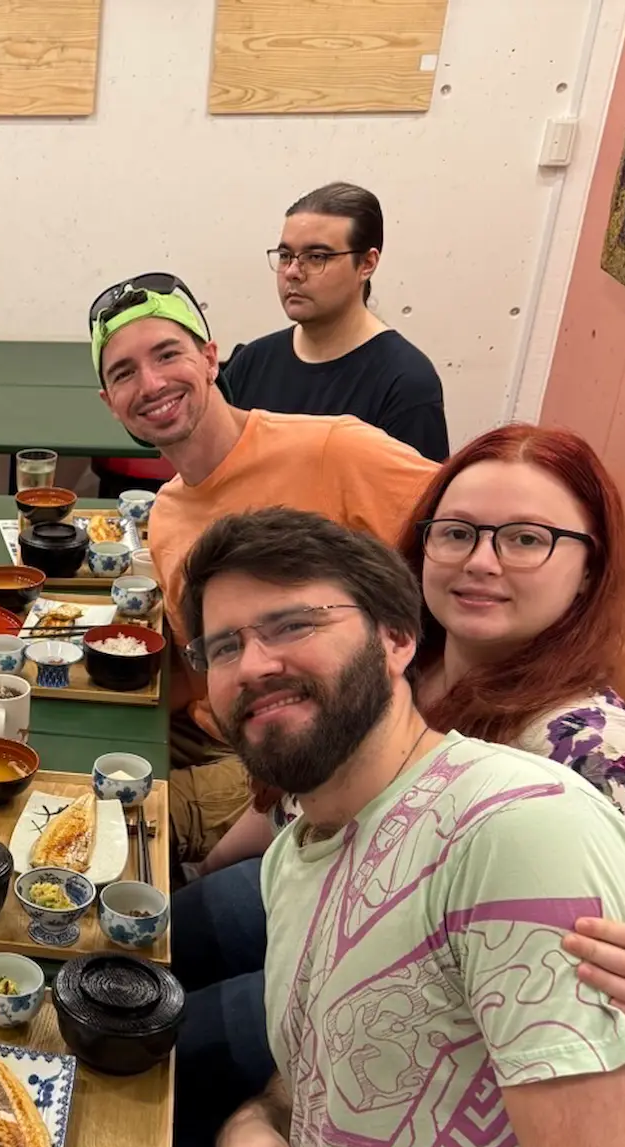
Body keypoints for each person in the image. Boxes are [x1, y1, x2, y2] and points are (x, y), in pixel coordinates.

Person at [165, 506, 625, 1147]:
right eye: (225, 644)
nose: (255, 664)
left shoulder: (521, 831)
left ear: (399, 639)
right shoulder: (298, 853)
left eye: (292, 625)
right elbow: (320, 1061)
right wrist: (254, 1124)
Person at [167, 426, 625, 1147]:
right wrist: (207, 867)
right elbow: (289, 805)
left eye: (525, 539)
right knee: (164, 935)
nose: (480, 562)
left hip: (412, 989)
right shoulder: (408, 653)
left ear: (587, 569)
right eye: (458, 533)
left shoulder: (595, 759)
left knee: (177, 1052)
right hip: (320, 890)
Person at [89, 271, 438, 859]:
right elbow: (200, 666)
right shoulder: (169, 517)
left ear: (209, 356)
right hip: (218, 729)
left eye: (167, 354)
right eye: (124, 372)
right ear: (109, 402)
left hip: (303, 754)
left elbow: (463, 532)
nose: (150, 384)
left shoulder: (335, 449)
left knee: (105, 828)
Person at [220, 182, 449, 461]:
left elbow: (415, 500)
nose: (293, 272)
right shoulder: (253, 361)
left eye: (316, 257)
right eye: (285, 256)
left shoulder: (405, 383)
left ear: (367, 264)